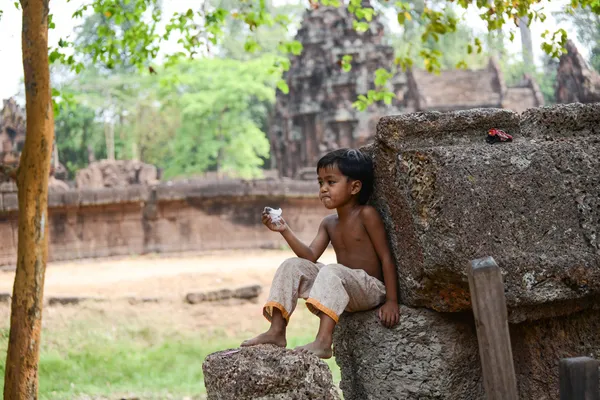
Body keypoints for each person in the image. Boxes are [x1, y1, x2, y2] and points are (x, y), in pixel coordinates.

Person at [241, 148, 400, 359]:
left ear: (354, 187)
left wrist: (391, 301)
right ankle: (277, 330)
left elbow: (386, 257)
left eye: (331, 182)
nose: (324, 189)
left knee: (333, 271)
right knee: (292, 265)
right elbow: (309, 257)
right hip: (342, 288)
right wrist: (284, 229)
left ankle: (324, 341)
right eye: (320, 183)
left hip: (369, 289)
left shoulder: (367, 215)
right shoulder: (328, 223)